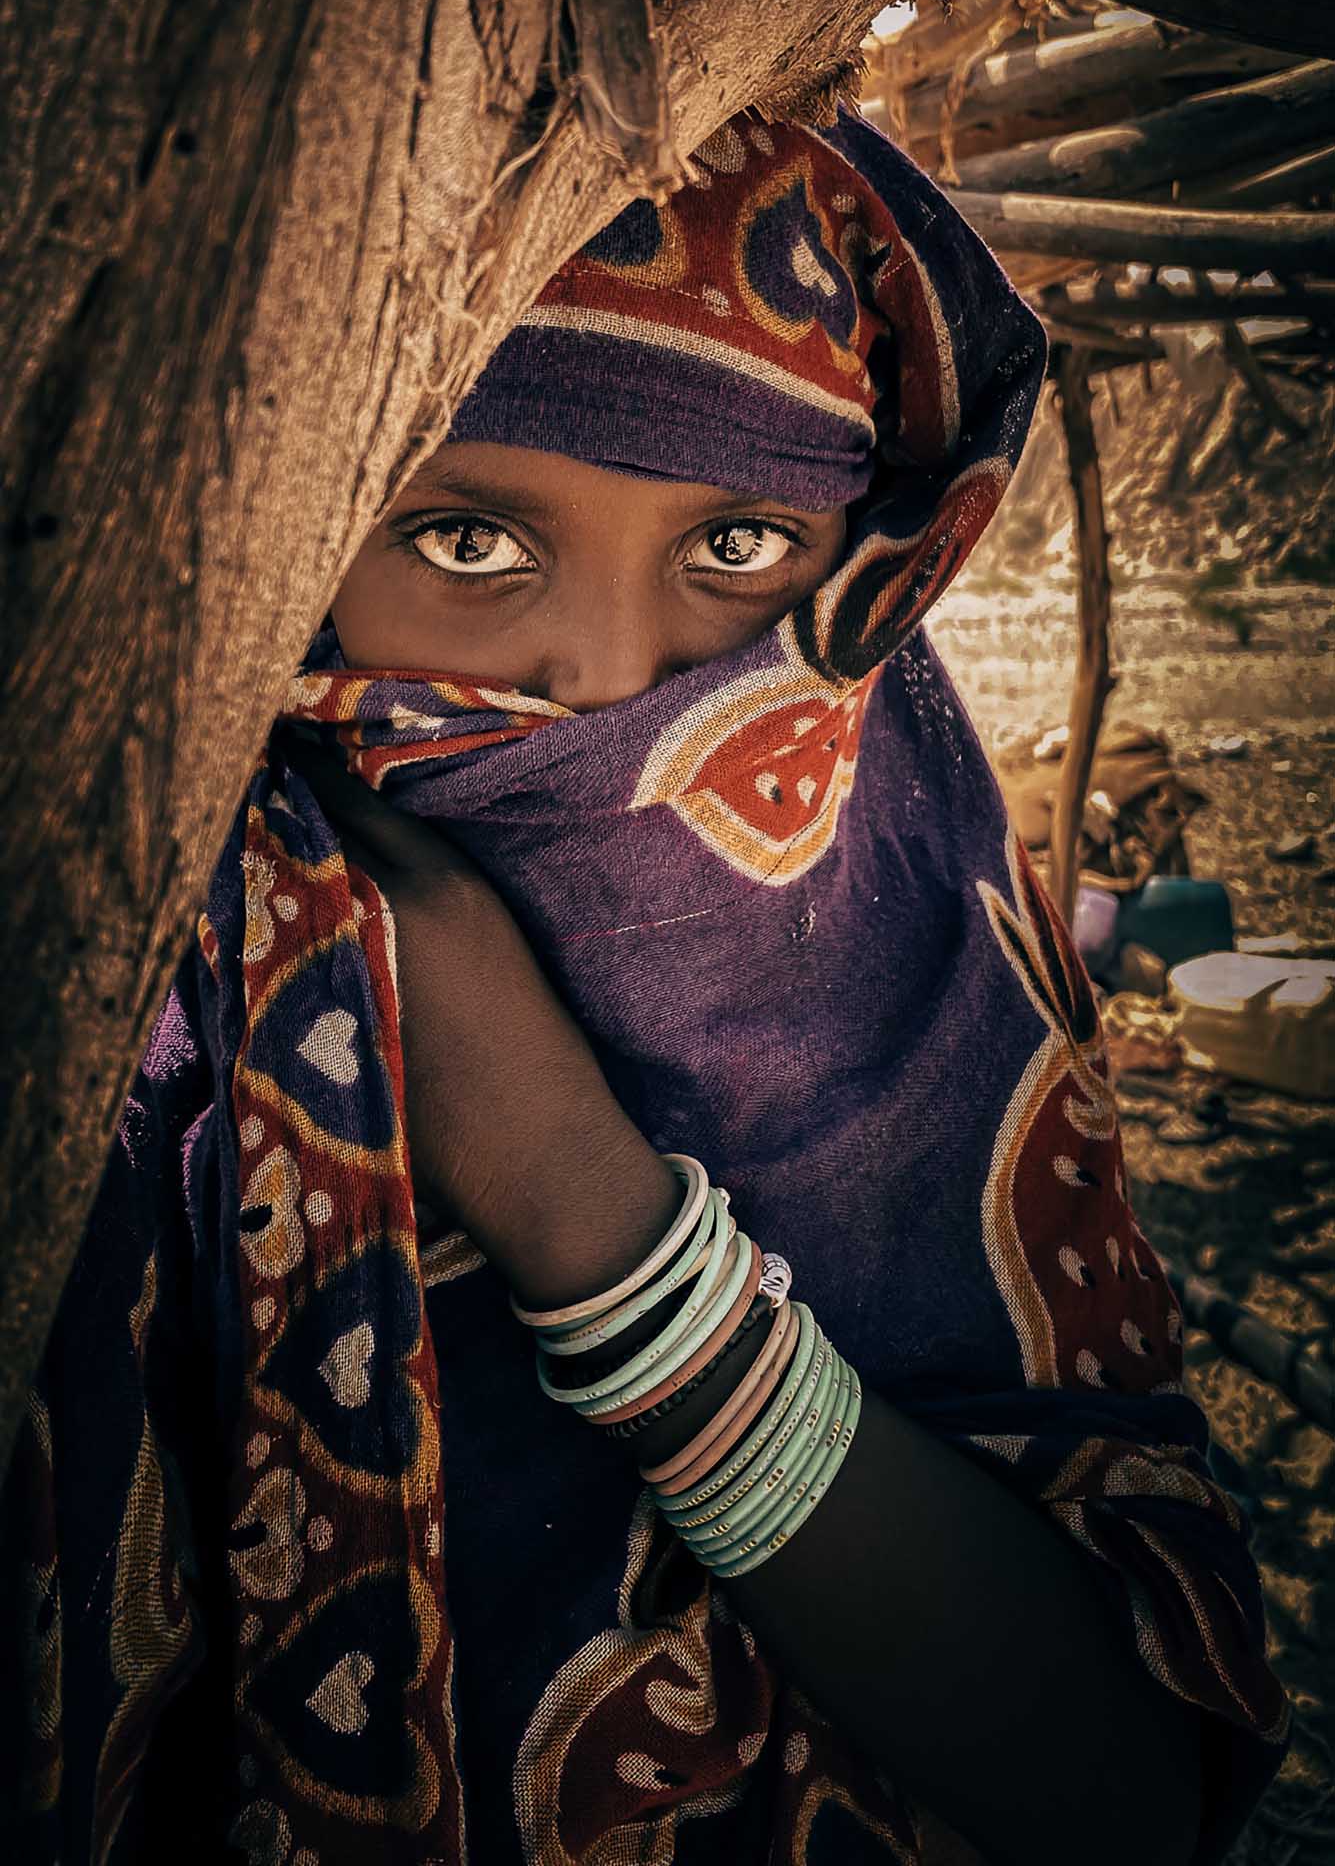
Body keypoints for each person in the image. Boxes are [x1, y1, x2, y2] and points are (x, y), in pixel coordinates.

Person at [0, 110, 1290, 1866]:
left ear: (864, 557)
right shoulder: (104, 993)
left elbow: (1126, 1784)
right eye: (464, 542)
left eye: (741, 549)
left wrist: (589, 1221)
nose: (605, 676)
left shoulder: (922, 954)